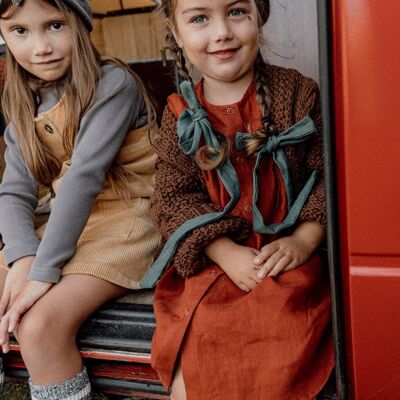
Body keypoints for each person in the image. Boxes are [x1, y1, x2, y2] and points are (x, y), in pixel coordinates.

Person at [143, 0, 334, 398]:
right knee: (199, 341)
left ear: (258, 16)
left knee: (279, 328)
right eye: (199, 18)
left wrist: (305, 239)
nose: (222, 32)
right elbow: (173, 196)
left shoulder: (298, 93)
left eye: (236, 12)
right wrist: (222, 250)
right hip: (214, 260)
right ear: (177, 33)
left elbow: (327, 176)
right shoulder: (179, 113)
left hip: (284, 258)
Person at [0, 0, 160, 398]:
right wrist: (21, 258)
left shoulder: (113, 84)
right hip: (69, 222)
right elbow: (15, 191)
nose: (41, 47)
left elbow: (82, 180)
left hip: (128, 221)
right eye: (20, 31)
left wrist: (41, 271)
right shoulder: (23, 103)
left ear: (81, 24)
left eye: (54, 25)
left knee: (39, 324)